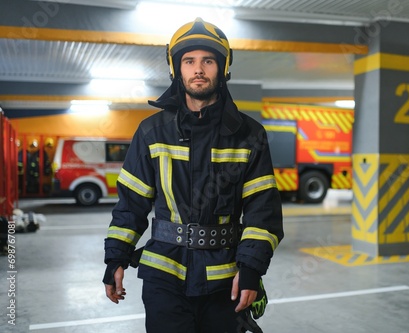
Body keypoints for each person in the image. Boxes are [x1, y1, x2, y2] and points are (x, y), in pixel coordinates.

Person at [103, 17, 284, 333]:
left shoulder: (249, 135)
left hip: (225, 282)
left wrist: (252, 269)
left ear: (223, 68)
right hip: (164, 277)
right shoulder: (151, 132)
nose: (198, 69)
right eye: (189, 61)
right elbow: (130, 205)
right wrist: (115, 260)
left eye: (208, 60)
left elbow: (262, 212)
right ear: (176, 69)